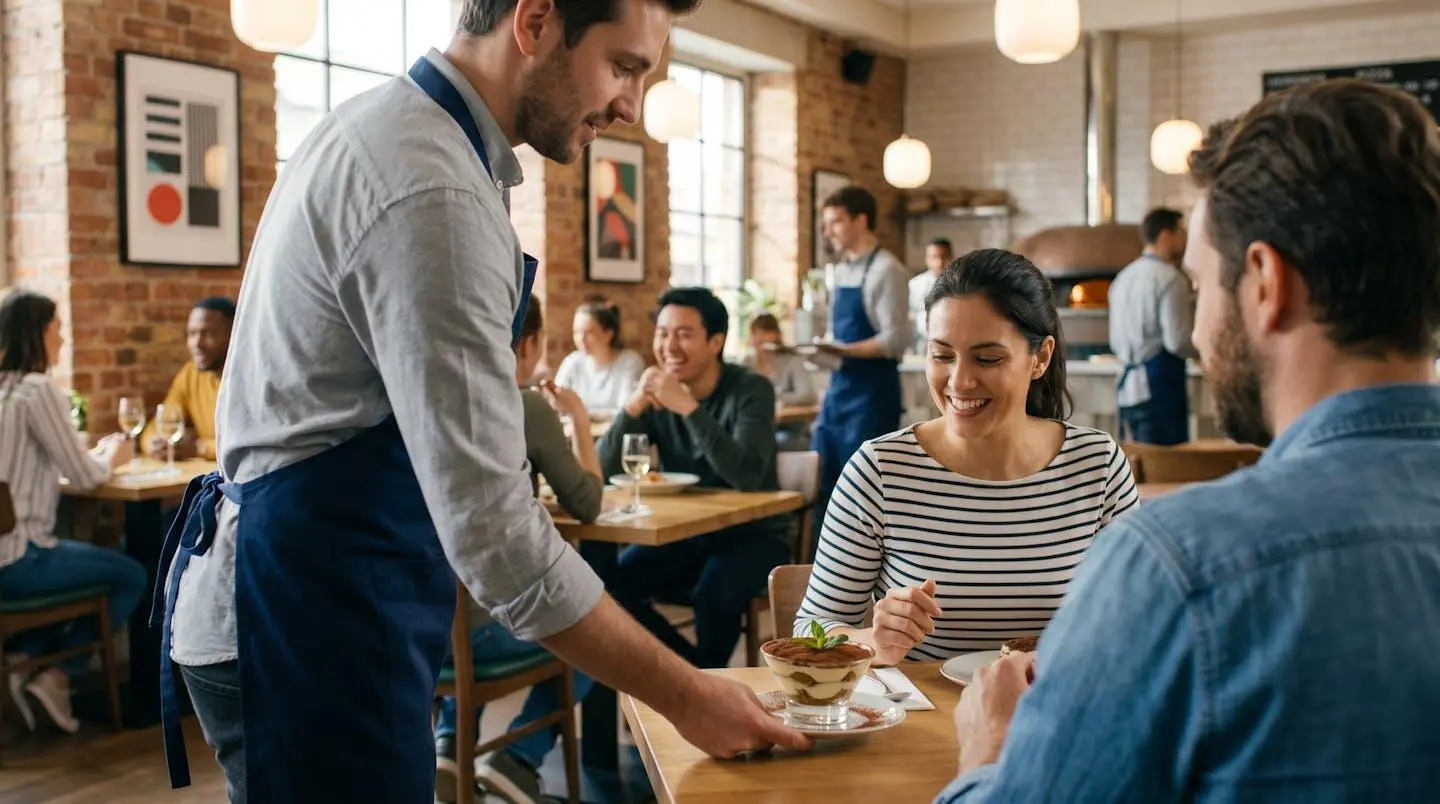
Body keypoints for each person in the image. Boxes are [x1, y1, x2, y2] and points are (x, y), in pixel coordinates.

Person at [154, 2, 808, 801]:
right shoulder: (433, 187)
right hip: (305, 622)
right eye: (625, 66)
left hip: (318, 602)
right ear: (534, 22)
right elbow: (498, 539)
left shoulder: (398, 132)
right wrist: (688, 697)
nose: (633, 104)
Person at [938, 79, 1440, 802]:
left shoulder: (1179, 567)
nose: (1199, 329)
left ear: (1266, 283)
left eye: (1200, 288)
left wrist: (986, 757)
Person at [794, 250, 1138, 664]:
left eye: (987, 358)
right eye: (941, 355)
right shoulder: (880, 470)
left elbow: (1141, 621)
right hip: (921, 724)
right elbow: (809, 633)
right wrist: (871, 640)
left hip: (1060, 714)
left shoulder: (1098, 465)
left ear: (1040, 358)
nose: (959, 381)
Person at [434, 299, 603, 804]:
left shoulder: (436, 398)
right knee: (602, 635)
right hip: (484, 631)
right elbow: (589, 503)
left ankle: (448, 747)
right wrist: (578, 422)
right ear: (528, 344)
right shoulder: (524, 404)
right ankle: (518, 760)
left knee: (464, 593)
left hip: (422, 627)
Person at [599, 287, 791, 668]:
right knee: (607, 590)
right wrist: (634, 406)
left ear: (715, 342)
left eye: (684, 334)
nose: (669, 346)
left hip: (754, 534)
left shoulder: (751, 390)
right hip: (682, 533)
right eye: (663, 333)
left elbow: (748, 476)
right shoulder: (655, 393)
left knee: (713, 595)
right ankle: (690, 674)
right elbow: (605, 469)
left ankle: (703, 691)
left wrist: (687, 406)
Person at [0, 289, 147, 734]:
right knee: (133, 573)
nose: (62, 338)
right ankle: (60, 674)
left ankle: (27, 656)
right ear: (39, 332)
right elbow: (84, 478)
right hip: (19, 559)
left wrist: (92, 456)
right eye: (58, 328)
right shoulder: (38, 388)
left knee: (84, 559)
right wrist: (112, 458)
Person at [811, 185, 909, 559]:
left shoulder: (888, 269)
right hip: (838, 391)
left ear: (861, 220)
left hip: (873, 393)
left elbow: (895, 340)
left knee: (865, 491)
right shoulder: (841, 271)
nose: (829, 231)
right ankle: (820, 579)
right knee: (826, 485)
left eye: (836, 221)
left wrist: (843, 350)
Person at [1108, 208, 1196, 445]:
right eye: (1182, 232)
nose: (1186, 239)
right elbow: (1177, 341)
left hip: (1127, 389)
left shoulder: (1122, 278)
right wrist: (1201, 352)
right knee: (1168, 468)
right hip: (1159, 389)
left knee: (1134, 468)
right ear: (1166, 235)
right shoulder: (1170, 278)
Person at [142, 297, 234, 461]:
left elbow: (249, 447)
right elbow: (158, 425)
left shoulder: (251, 378)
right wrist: (154, 444)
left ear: (233, 335)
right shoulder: (191, 373)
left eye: (209, 334)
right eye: (192, 333)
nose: (196, 343)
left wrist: (199, 448)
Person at [553, 295, 646, 413]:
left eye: (588, 332)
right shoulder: (572, 361)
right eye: (576, 332)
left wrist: (578, 412)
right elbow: (557, 404)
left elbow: (627, 411)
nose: (581, 338)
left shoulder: (630, 362)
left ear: (609, 334)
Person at [743, 312, 815, 451]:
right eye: (758, 340)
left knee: (769, 443)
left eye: (768, 341)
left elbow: (807, 395)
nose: (764, 347)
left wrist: (774, 396)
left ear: (776, 336)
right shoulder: (746, 364)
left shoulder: (792, 360)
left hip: (789, 429)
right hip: (755, 427)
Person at [908, 237, 953, 350]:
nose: (939, 262)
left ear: (951, 257)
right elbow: (910, 317)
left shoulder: (961, 285)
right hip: (922, 344)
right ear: (927, 259)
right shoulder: (915, 284)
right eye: (934, 257)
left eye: (943, 257)